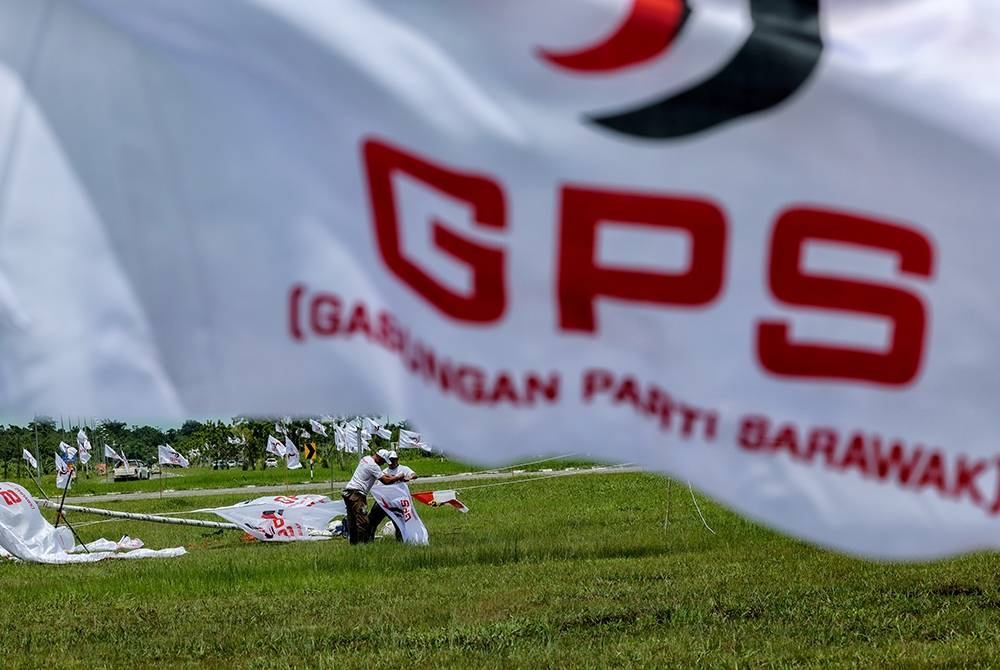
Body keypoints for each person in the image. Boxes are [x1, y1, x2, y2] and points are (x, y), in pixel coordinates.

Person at [341, 448, 406, 544]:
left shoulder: (366, 458)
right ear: (379, 458)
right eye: (383, 461)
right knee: (363, 521)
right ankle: (363, 544)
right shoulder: (373, 465)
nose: (383, 464)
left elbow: (384, 476)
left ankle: (353, 544)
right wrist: (399, 477)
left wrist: (393, 477)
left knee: (353, 520)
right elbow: (385, 481)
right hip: (357, 495)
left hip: (349, 493)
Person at [367, 450, 416, 541]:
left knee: (398, 523)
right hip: (384, 501)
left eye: (394, 459)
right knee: (372, 520)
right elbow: (379, 485)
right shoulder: (384, 471)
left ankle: (401, 540)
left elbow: (414, 474)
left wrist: (408, 477)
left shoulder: (403, 469)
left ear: (397, 459)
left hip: (397, 502)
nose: (392, 462)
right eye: (390, 460)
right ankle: (369, 539)